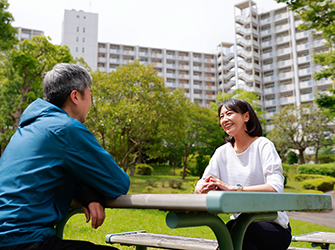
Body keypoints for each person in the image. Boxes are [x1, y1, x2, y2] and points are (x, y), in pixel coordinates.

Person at [0, 63, 130, 249]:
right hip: (22, 240)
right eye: (90, 94)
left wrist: (86, 192)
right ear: (76, 96)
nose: (91, 101)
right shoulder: (66, 128)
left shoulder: (27, 129)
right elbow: (118, 183)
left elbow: (50, 170)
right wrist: (89, 190)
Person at [195, 98, 291, 250]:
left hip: (274, 227)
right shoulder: (222, 152)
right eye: (221, 116)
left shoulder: (263, 145)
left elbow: (275, 187)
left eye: (229, 113)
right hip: (241, 226)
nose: (225, 119)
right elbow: (201, 184)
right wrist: (202, 188)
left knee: (235, 229)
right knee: (244, 245)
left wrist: (233, 189)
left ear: (246, 117)